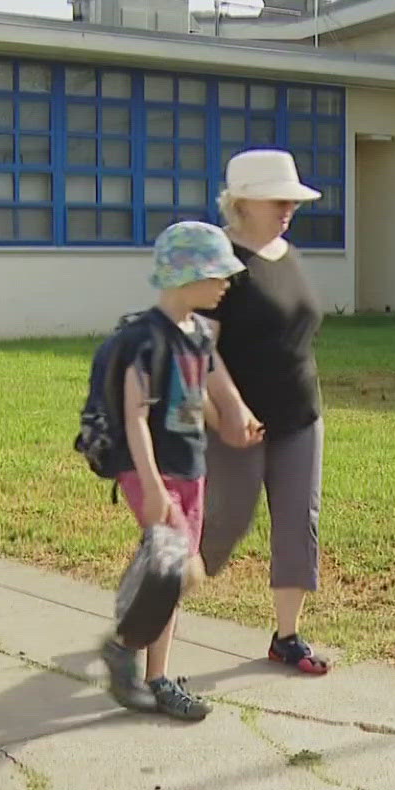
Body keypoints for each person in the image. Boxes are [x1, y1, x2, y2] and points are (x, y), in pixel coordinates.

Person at [98, 221, 258, 721]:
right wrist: (150, 486)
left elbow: (193, 400)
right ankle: (124, 644)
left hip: (192, 466)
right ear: (187, 275)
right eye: (218, 274)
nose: (227, 283)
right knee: (181, 571)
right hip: (153, 471)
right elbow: (135, 417)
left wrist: (232, 425)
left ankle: (157, 678)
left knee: (174, 574)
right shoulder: (145, 339)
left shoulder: (198, 335)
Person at [198, 150, 334, 675]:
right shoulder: (220, 262)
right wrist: (228, 410)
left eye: (292, 201)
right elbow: (202, 348)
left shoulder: (288, 255)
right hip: (238, 425)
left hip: (300, 416)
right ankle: (153, 605)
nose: (288, 209)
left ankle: (287, 636)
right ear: (245, 201)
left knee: (300, 523)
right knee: (224, 524)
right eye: (280, 199)